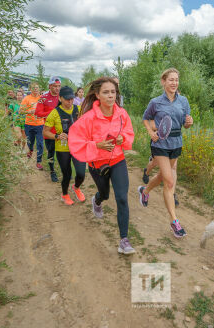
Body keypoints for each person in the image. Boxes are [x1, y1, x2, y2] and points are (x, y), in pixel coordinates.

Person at [68, 77, 135, 255]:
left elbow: (129, 132)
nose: (110, 95)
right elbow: (75, 141)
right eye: (106, 92)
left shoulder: (122, 114)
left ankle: (124, 240)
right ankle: (97, 200)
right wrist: (97, 145)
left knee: (122, 198)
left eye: (113, 92)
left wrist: (123, 139)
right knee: (105, 194)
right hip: (98, 164)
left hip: (118, 160)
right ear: (97, 95)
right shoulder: (88, 118)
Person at [138, 68, 193, 239]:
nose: (174, 83)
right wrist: (150, 132)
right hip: (160, 143)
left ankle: (145, 191)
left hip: (176, 143)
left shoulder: (183, 101)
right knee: (169, 181)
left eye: (176, 80)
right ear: (163, 82)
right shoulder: (155, 102)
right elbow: (145, 118)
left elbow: (186, 123)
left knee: (163, 176)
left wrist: (189, 122)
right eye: (171, 80)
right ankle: (174, 221)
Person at [43, 86, 86, 205]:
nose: (70, 101)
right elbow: (45, 132)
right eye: (67, 99)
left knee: (81, 173)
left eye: (72, 99)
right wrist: (57, 136)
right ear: (60, 98)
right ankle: (65, 194)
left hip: (78, 146)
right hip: (63, 149)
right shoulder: (55, 113)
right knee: (67, 174)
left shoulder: (79, 109)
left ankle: (76, 187)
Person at [35, 76, 61, 181]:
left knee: (64, 152)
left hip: (62, 130)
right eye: (55, 86)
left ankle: (65, 170)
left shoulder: (62, 97)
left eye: (59, 86)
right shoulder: (43, 98)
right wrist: (51, 112)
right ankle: (52, 172)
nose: (57, 88)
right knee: (51, 152)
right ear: (50, 86)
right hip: (49, 131)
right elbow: (37, 113)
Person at [20, 82, 43, 162]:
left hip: (40, 124)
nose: (35, 89)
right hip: (29, 124)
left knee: (40, 143)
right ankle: (30, 150)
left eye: (37, 87)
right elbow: (21, 111)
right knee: (30, 142)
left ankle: (39, 161)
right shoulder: (26, 98)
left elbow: (46, 110)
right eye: (33, 88)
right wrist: (30, 112)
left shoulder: (42, 98)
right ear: (30, 89)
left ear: (39, 89)